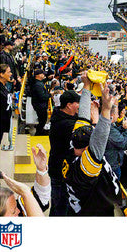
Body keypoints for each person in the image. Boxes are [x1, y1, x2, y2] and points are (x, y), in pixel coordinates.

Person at [63, 84, 122, 216]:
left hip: (81, 205)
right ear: (87, 148)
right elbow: (99, 140)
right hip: (93, 212)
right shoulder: (85, 169)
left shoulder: (74, 144)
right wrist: (106, 110)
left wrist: (87, 85)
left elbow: (83, 117)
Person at [47, 88, 88, 216]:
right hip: (61, 171)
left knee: (57, 205)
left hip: (60, 168)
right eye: (77, 103)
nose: (80, 106)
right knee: (61, 206)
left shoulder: (61, 116)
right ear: (69, 105)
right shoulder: (65, 124)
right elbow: (86, 134)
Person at [30, 69, 52, 135]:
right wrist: (50, 95)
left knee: (42, 120)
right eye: (42, 74)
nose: (44, 75)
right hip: (40, 106)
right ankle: (38, 133)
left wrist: (48, 78)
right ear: (38, 75)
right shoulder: (38, 85)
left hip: (39, 105)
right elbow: (42, 97)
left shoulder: (38, 83)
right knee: (42, 120)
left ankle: (40, 131)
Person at [0, 64, 14, 141]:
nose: (11, 74)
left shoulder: (4, 86)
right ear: (1, 74)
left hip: (4, 123)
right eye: (8, 72)